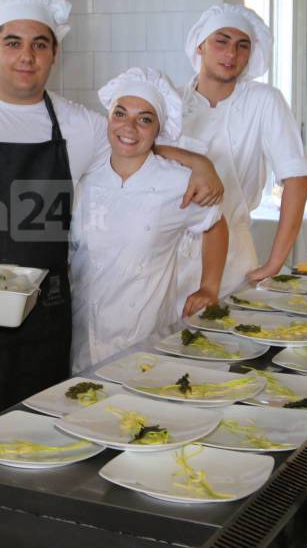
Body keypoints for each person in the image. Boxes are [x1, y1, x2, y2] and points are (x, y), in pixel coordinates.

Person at [0, 0, 222, 442]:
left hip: (43, 319)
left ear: (55, 53)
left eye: (39, 44)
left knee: (42, 438)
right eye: (13, 43)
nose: (26, 56)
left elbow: (134, 136)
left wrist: (200, 162)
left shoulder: (80, 124)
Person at [70, 67, 228, 373]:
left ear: (158, 130)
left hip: (144, 329)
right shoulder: (84, 177)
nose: (129, 127)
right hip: (83, 330)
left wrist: (209, 287)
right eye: (120, 114)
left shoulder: (178, 182)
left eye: (144, 119)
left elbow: (215, 224)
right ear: (109, 118)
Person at [166, 4, 307, 310]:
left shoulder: (264, 101)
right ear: (200, 45)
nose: (231, 54)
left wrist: (274, 262)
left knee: (224, 349)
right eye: (221, 41)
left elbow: (297, 181)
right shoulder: (171, 101)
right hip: (168, 259)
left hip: (233, 258)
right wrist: (197, 162)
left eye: (242, 45)